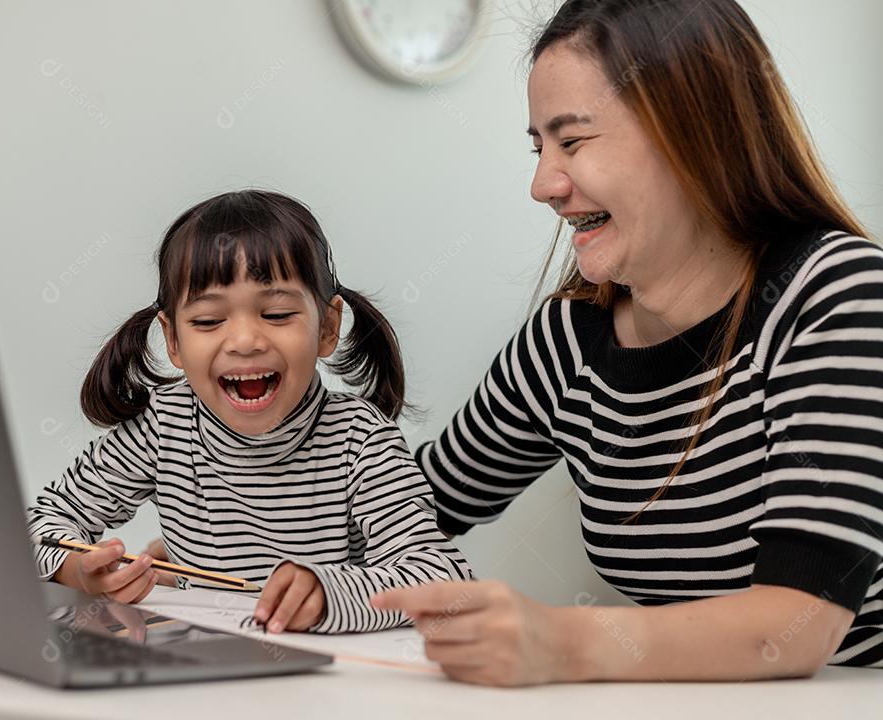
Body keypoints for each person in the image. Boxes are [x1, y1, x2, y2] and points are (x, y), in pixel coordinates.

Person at [372, 0, 882, 685]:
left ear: (692, 131)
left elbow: (799, 625)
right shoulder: (566, 341)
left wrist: (557, 639)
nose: (543, 185)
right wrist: (214, 538)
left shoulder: (835, 293)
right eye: (538, 147)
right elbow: (408, 505)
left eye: (572, 141)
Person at [27, 190, 471, 634]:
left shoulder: (361, 440)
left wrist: (329, 595)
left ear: (328, 327)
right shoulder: (164, 426)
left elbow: (444, 576)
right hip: (202, 672)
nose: (244, 341)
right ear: (173, 341)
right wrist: (77, 570)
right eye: (207, 321)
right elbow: (37, 524)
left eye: (277, 314)